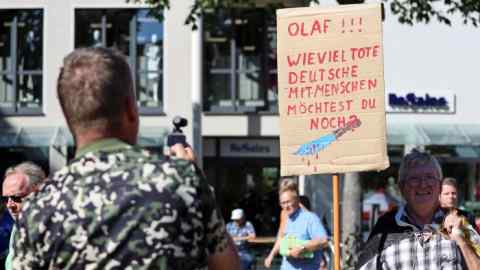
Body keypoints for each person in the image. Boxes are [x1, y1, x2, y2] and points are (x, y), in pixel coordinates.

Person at [12, 47, 240, 270]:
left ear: (68, 116)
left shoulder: (38, 207)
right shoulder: (181, 181)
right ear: (130, 108)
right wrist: (195, 178)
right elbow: (226, 264)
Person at [358, 149, 480, 269]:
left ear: (439, 186)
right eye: (414, 178)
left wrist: (461, 241)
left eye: (429, 177)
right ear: (402, 187)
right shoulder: (385, 227)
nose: (423, 184)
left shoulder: (460, 221)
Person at [265, 178, 328, 270]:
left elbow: (324, 241)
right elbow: (281, 238)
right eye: (283, 203)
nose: (286, 206)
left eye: (288, 202)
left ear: (297, 200)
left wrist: (303, 248)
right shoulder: (285, 217)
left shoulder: (310, 218)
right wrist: (271, 255)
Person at [2, 162, 46, 270]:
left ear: (38, 192)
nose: (9, 205)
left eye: (17, 197)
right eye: (6, 199)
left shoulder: (49, 228)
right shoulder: (19, 225)